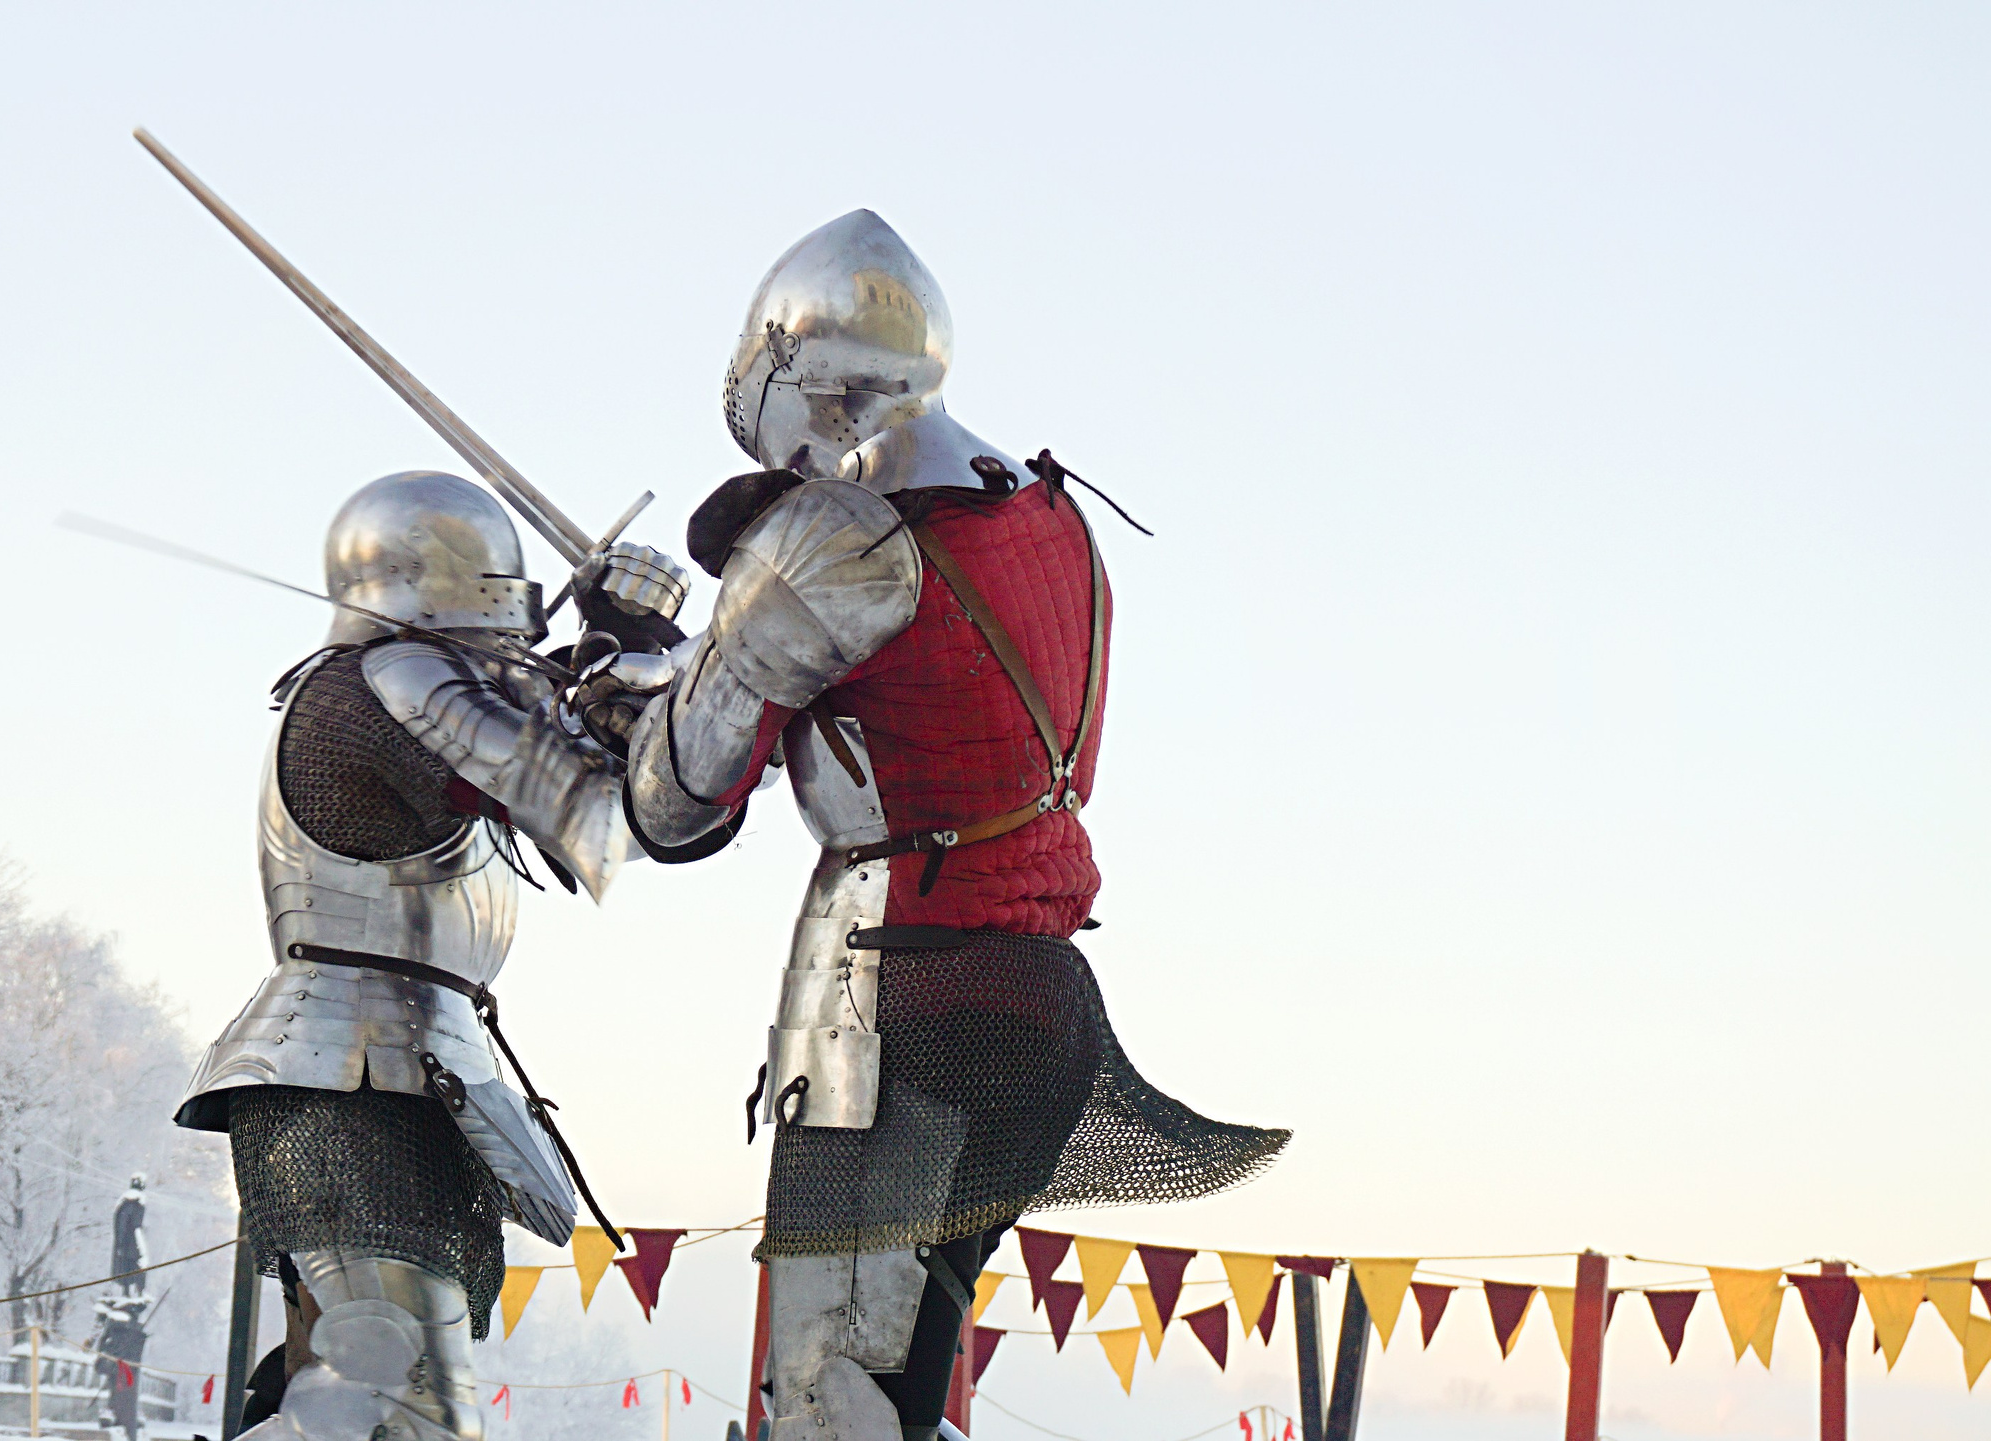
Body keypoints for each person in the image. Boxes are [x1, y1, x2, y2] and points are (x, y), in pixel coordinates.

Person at [616, 212, 1290, 1441]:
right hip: (1033, 995)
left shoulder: (836, 539)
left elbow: (673, 803)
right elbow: (921, 718)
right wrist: (708, 645)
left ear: (804, 385)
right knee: (900, 1386)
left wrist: (658, 667)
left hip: (894, 991)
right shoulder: (1050, 514)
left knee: (834, 1394)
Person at [176, 470, 684, 1441]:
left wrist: (627, 657)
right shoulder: (380, 685)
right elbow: (562, 789)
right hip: (343, 1065)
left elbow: (585, 781)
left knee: (358, 1392)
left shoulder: (411, 687)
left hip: (409, 1072)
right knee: (393, 1402)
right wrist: (625, 655)